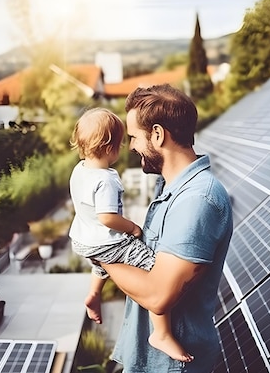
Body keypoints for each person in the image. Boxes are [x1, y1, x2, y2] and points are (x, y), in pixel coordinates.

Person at [100, 84, 234, 373]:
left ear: (158, 134)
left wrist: (100, 254)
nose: (132, 146)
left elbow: (159, 296)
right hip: (151, 361)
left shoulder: (196, 200)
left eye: (135, 137)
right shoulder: (171, 190)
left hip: (171, 367)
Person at [67, 107, 193, 363]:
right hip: (105, 240)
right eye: (122, 142)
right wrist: (132, 228)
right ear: (108, 147)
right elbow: (107, 218)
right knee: (154, 268)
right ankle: (162, 333)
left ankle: (94, 294)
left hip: (84, 240)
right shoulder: (106, 179)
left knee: (102, 260)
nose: (125, 147)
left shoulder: (80, 170)